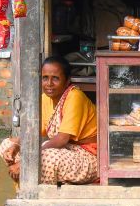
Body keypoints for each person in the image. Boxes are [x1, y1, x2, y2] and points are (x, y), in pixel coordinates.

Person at [39, 56, 98, 184]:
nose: (49, 84)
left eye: (55, 78)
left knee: (45, 157)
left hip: (90, 157)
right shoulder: (45, 98)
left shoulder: (75, 96)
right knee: (8, 146)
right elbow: (34, 134)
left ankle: (48, 200)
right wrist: (16, 143)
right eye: (45, 78)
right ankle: (25, 194)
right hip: (68, 152)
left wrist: (29, 158)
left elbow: (62, 139)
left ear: (67, 81)